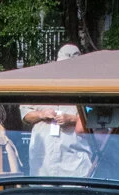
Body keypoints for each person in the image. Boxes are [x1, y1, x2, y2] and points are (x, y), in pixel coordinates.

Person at [20, 44, 93, 178]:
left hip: (74, 164)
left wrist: (72, 119)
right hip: (43, 164)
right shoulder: (40, 85)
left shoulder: (88, 88)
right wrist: (41, 115)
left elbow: (97, 121)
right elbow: (25, 114)